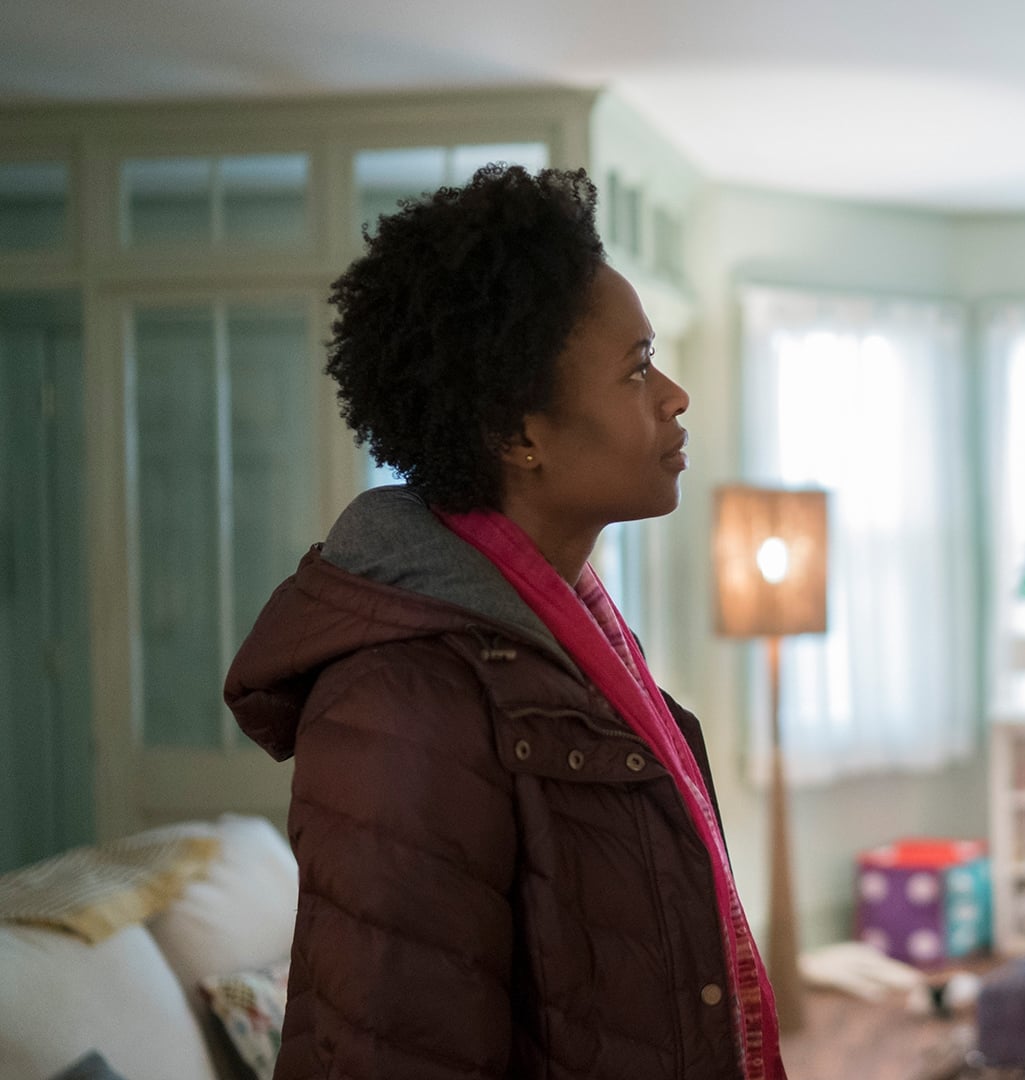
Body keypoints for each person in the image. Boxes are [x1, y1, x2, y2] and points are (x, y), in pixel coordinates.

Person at [225, 166, 784, 1080]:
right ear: (518, 434)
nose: (675, 395)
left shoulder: (571, 640)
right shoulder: (401, 702)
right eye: (637, 369)